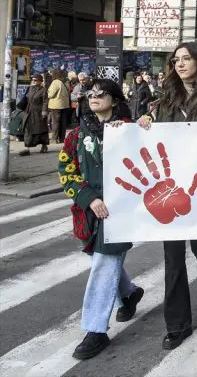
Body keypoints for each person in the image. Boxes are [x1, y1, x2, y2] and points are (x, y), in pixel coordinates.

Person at [137, 41, 197, 351]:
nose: (180, 65)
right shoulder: (165, 101)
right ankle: (178, 326)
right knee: (173, 257)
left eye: (186, 59)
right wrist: (145, 125)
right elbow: (157, 137)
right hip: (172, 187)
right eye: (176, 60)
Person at [58, 79, 143, 360]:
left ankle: (95, 330)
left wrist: (141, 125)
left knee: (104, 265)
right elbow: (66, 171)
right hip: (89, 213)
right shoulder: (75, 135)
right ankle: (129, 293)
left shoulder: (131, 130)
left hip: (117, 211)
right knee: (101, 261)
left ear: (116, 100)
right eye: (90, 93)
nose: (93, 97)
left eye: (101, 93)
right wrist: (88, 199)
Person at [17, 74, 49, 155]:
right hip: (29, 111)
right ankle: (27, 148)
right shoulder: (30, 88)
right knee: (27, 128)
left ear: (40, 81)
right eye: (32, 80)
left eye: (35, 80)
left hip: (38, 112)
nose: (33, 81)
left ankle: (44, 145)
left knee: (41, 129)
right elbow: (26, 98)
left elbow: (45, 102)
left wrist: (44, 112)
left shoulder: (44, 90)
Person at [47, 68, 70, 143]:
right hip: (64, 105)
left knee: (55, 122)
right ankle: (62, 138)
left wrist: (47, 91)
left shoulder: (56, 82)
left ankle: (54, 138)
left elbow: (50, 94)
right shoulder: (63, 82)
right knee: (63, 123)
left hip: (56, 105)